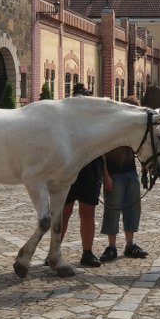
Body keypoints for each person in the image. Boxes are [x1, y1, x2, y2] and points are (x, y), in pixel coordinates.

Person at [60, 84, 110, 267]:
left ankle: (87, 252)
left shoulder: (95, 122)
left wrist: (106, 176)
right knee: (63, 214)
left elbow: (102, 149)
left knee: (87, 213)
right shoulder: (65, 121)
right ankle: (54, 251)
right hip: (68, 170)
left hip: (91, 171)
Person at [100, 96, 149, 262]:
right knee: (112, 211)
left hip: (130, 173)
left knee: (133, 209)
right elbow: (102, 155)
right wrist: (105, 176)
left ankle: (130, 245)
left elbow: (140, 148)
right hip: (114, 174)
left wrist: (144, 165)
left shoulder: (133, 128)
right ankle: (111, 247)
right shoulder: (111, 127)